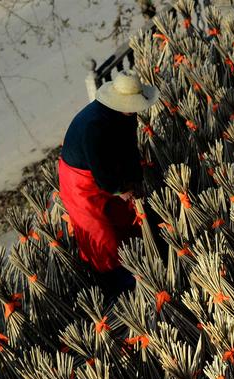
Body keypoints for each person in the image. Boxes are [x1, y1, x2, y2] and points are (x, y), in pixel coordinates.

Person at [58, 70, 159, 300]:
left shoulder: (126, 115)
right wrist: (121, 190)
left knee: (124, 217)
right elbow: (101, 172)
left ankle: (136, 262)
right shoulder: (94, 126)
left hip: (104, 169)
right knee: (100, 233)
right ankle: (118, 285)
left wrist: (135, 179)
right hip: (80, 180)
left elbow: (130, 149)